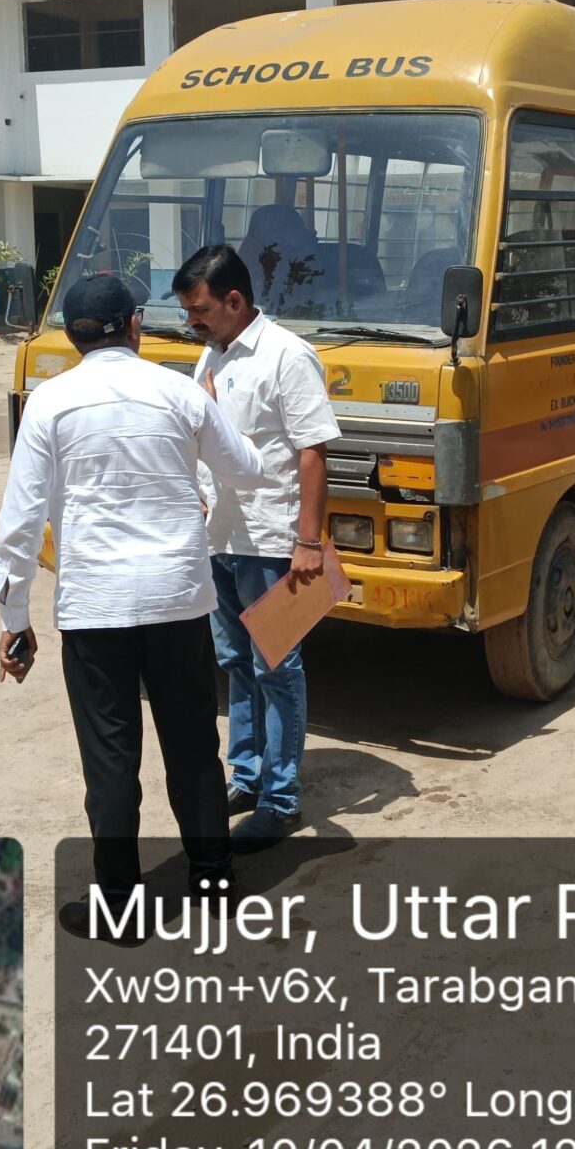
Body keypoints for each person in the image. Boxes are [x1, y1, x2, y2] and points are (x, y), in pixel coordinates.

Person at [0, 275, 263, 942]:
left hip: (96, 608)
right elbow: (248, 468)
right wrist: (209, 415)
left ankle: (120, 907)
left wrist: (14, 620)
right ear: (135, 325)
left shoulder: (50, 403)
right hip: (178, 599)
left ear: (73, 336)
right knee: (194, 748)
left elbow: (20, 524)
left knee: (111, 760)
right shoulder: (179, 391)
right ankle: (214, 881)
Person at [174, 245, 342, 853]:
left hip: (271, 542)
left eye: (200, 310)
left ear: (235, 300)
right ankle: (245, 777)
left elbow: (313, 451)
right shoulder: (211, 354)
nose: (192, 322)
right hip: (221, 539)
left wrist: (308, 541)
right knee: (236, 663)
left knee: (277, 668)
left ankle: (280, 799)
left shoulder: (286, 356)